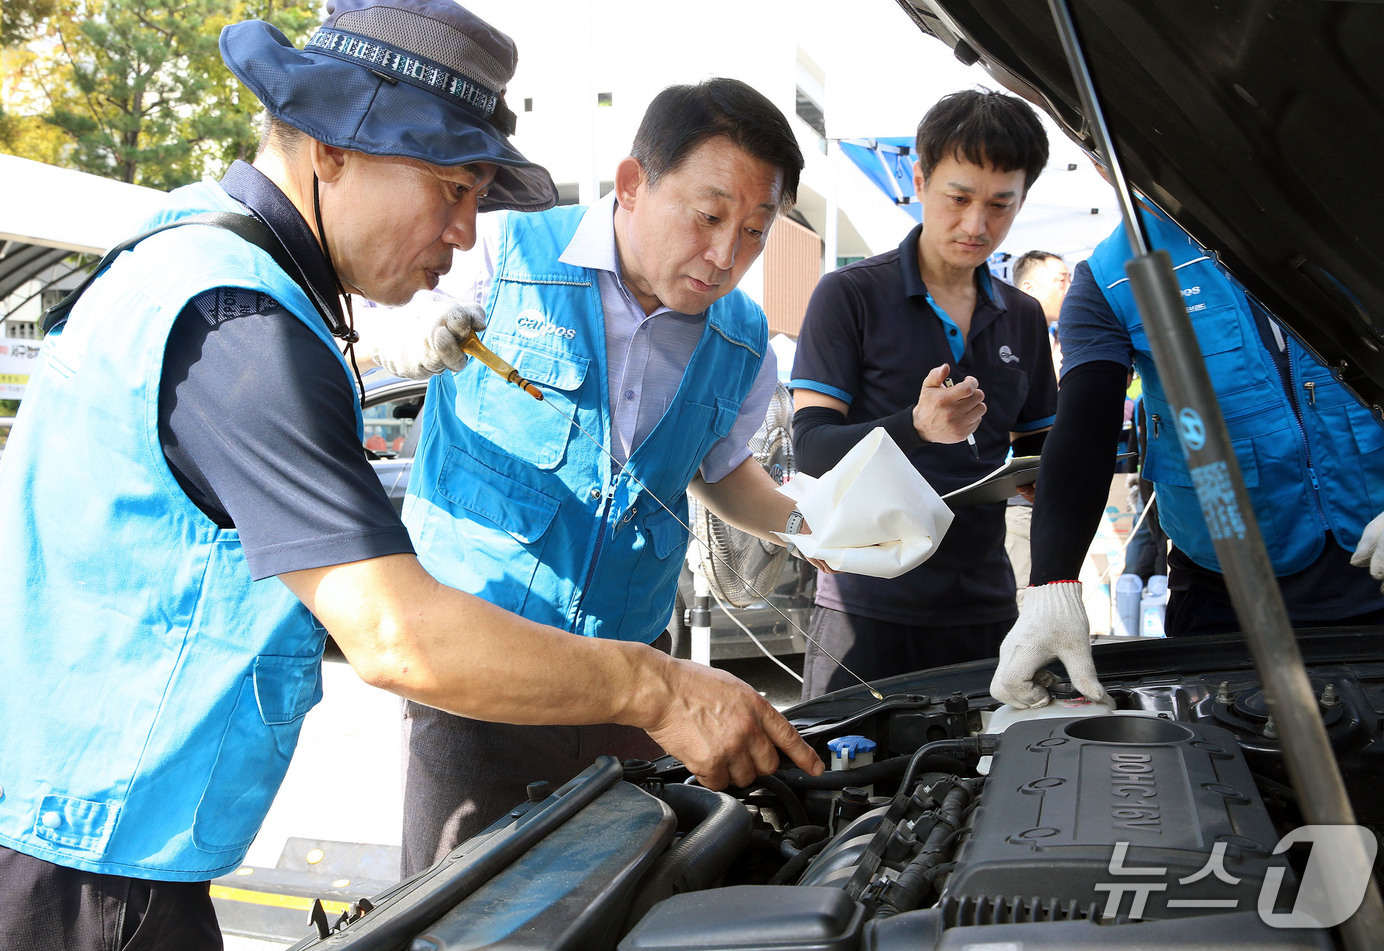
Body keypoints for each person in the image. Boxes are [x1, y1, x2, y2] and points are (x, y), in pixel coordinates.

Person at [0, 5, 821, 948]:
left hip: (99, 832)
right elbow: (395, 634)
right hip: (86, 859)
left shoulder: (195, 259)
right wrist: (668, 689)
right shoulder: (241, 328)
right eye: (449, 188)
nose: (468, 235)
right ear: (332, 150)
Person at [369, 77, 822, 872]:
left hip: (634, 675)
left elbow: (717, 472)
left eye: (755, 231)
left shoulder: (746, 341)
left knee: (611, 896)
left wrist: (809, 525)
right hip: (482, 668)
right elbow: (379, 304)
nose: (726, 257)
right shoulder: (500, 252)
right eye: (710, 217)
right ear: (632, 183)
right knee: (457, 904)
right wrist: (398, 328)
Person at [991, 201, 1384, 709]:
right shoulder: (1108, 278)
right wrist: (1051, 583)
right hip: (1226, 605)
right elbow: (1086, 426)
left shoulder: (1360, 213)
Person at [789, 88, 1058, 700]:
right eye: (958, 198)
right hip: (868, 607)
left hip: (987, 608)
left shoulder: (1021, 316)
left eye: (1000, 205)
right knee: (846, 790)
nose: (976, 225)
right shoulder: (849, 295)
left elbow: (1042, 447)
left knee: (994, 785)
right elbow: (810, 449)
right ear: (919, 178)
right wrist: (912, 426)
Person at [1004, 249, 1072, 597]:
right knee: (1027, 598)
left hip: (1050, 489)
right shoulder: (1009, 338)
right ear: (1029, 286)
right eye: (1061, 280)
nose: (1069, 288)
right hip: (1017, 496)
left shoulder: (1058, 338)